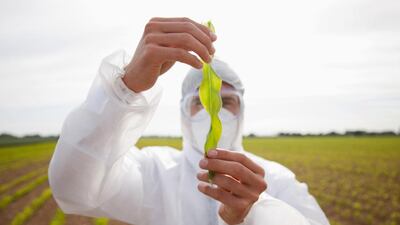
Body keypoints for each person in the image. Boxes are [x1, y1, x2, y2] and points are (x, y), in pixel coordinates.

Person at [48, 17, 330, 225]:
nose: (213, 112)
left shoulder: (275, 181)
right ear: (184, 112)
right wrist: (125, 87)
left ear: (241, 112)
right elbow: (73, 187)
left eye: (226, 102)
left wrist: (250, 216)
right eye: (201, 101)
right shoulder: (155, 172)